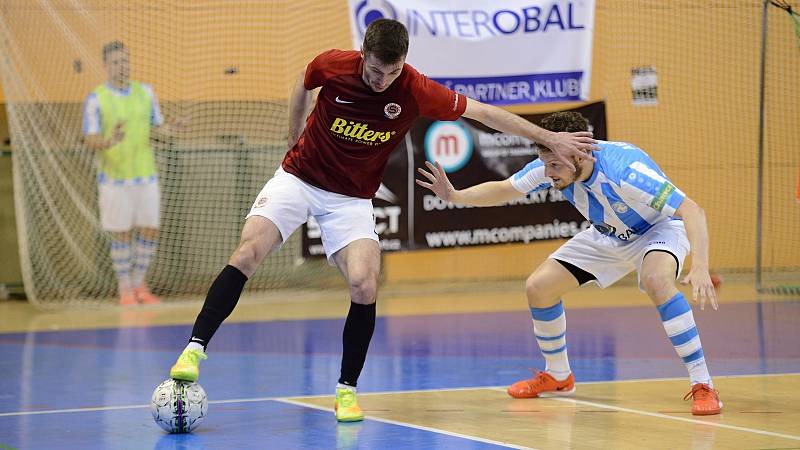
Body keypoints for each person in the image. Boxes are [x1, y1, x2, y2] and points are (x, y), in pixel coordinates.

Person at [167, 19, 596, 422]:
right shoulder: (333, 65)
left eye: (391, 73)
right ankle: (194, 349)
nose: (381, 81)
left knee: (364, 282)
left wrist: (546, 136)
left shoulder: (414, 89)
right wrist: (293, 131)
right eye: (375, 71)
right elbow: (303, 82)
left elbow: (484, 113)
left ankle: (346, 389)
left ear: (402, 64)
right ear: (362, 55)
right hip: (299, 178)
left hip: (351, 199)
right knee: (249, 250)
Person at [416, 111, 722, 416]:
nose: (548, 173)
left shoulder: (624, 170)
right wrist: (455, 196)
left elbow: (692, 210)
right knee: (539, 288)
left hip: (658, 230)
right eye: (546, 163)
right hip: (607, 235)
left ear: (581, 153)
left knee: (657, 281)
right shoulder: (551, 164)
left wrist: (701, 267)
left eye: (554, 165)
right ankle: (559, 376)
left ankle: (703, 384)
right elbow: (504, 188)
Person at [83, 41, 178, 306]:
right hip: (114, 178)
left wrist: (172, 129)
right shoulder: (96, 98)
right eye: (115, 62)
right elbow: (89, 138)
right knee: (121, 232)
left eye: (125, 60)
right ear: (105, 65)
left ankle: (139, 286)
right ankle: (124, 289)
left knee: (149, 229)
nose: (122, 66)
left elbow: (157, 128)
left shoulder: (145, 92)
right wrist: (109, 141)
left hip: (145, 174)